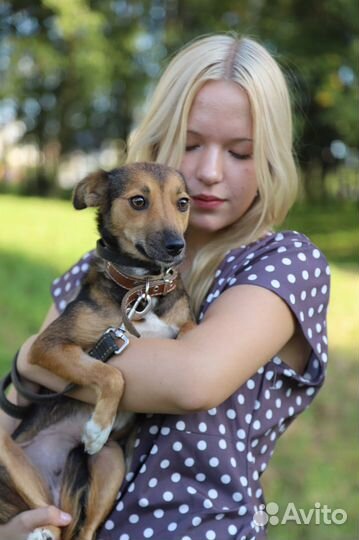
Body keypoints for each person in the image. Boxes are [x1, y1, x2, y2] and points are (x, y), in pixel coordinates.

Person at [0, 33, 330, 540]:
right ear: (155, 142)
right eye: (191, 144)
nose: (209, 172)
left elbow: (192, 378)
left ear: (270, 160)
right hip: (67, 516)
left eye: (241, 153)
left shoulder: (282, 264)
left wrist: (34, 356)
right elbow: (23, 411)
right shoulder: (96, 270)